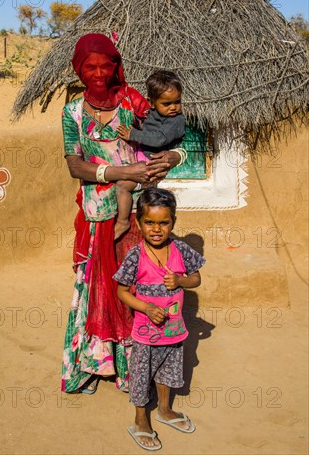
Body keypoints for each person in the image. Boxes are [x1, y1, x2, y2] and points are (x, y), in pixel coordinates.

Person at [61, 33, 185, 394]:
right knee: (98, 288)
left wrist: (173, 158)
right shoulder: (72, 113)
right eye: (90, 67)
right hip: (98, 215)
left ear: (116, 67)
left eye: (105, 65)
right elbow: (75, 165)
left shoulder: (132, 101)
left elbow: (176, 139)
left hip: (139, 215)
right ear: (79, 71)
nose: (98, 73)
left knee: (137, 287)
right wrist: (121, 173)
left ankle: (133, 369)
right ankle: (95, 365)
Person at [113, 188, 205, 451]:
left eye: (163, 223)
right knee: (142, 375)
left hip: (174, 331)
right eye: (150, 223)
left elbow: (196, 279)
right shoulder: (135, 256)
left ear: (173, 222)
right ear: (139, 224)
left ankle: (164, 410)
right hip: (145, 334)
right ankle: (141, 419)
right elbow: (120, 291)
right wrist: (146, 307)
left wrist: (181, 280)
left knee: (169, 372)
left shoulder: (181, 249)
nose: (157, 229)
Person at [114, 70, 186, 240]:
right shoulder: (153, 114)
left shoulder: (176, 120)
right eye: (167, 103)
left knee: (123, 185)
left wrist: (133, 135)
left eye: (177, 102)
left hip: (151, 163)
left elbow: (159, 139)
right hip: (143, 158)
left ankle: (123, 221)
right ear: (152, 103)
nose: (173, 107)